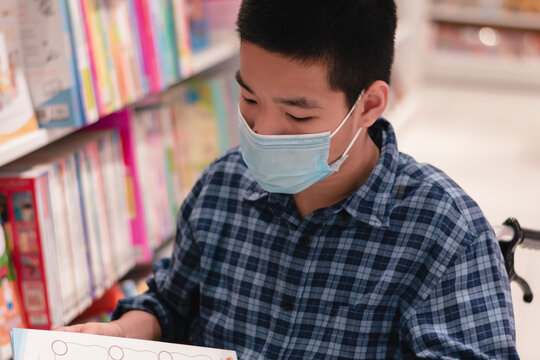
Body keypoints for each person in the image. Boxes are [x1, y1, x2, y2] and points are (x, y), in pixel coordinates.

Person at [61, 0, 520, 358]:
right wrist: (122, 332)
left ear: (369, 106)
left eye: (298, 114)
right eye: (248, 99)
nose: (262, 132)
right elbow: (172, 306)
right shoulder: (221, 188)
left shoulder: (444, 234)